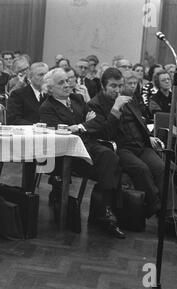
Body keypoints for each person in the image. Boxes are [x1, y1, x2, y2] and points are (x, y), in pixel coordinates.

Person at [85, 67, 177, 234]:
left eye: (119, 85)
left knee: (163, 168)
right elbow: (105, 134)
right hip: (120, 148)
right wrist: (115, 109)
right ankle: (161, 214)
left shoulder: (129, 98)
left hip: (141, 145)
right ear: (103, 86)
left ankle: (172, 214)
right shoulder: (95, 105)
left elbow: (139, 122)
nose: (117, 90)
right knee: (141, 169)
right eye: (113, 86)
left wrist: (149, 137)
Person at [39, 68, 125, 239]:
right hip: (68, 154)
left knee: (112, 158)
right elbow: (61, 135)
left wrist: (79, 126)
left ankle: (104, 212)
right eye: (61, 82)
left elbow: (99, 121)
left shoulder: (77, 99)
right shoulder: (47, 108)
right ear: (50, 88)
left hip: (89, 145)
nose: (67, 85)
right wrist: (84, 125)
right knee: (109, 165)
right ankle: (106, 212)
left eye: (67, 81)